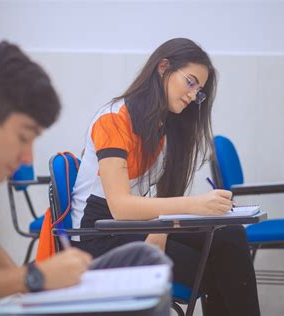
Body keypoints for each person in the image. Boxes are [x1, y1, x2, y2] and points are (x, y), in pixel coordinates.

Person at [0, 41, 170, 315]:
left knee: (142, 259)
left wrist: (42, 286)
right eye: (23, 137)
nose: (27, 157)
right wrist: (32, 277)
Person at [70, 38, 260, 315]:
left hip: (133, 226)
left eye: (200, 91)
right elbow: (120, 206)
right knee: (215, 264)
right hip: (97, 235)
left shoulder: (163, 123)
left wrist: (161, 228)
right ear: (163, 67)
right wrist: (194, 206)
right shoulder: (112, 120)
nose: (194, 95)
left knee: (229, 236)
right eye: (191, 82)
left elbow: (154, 200)